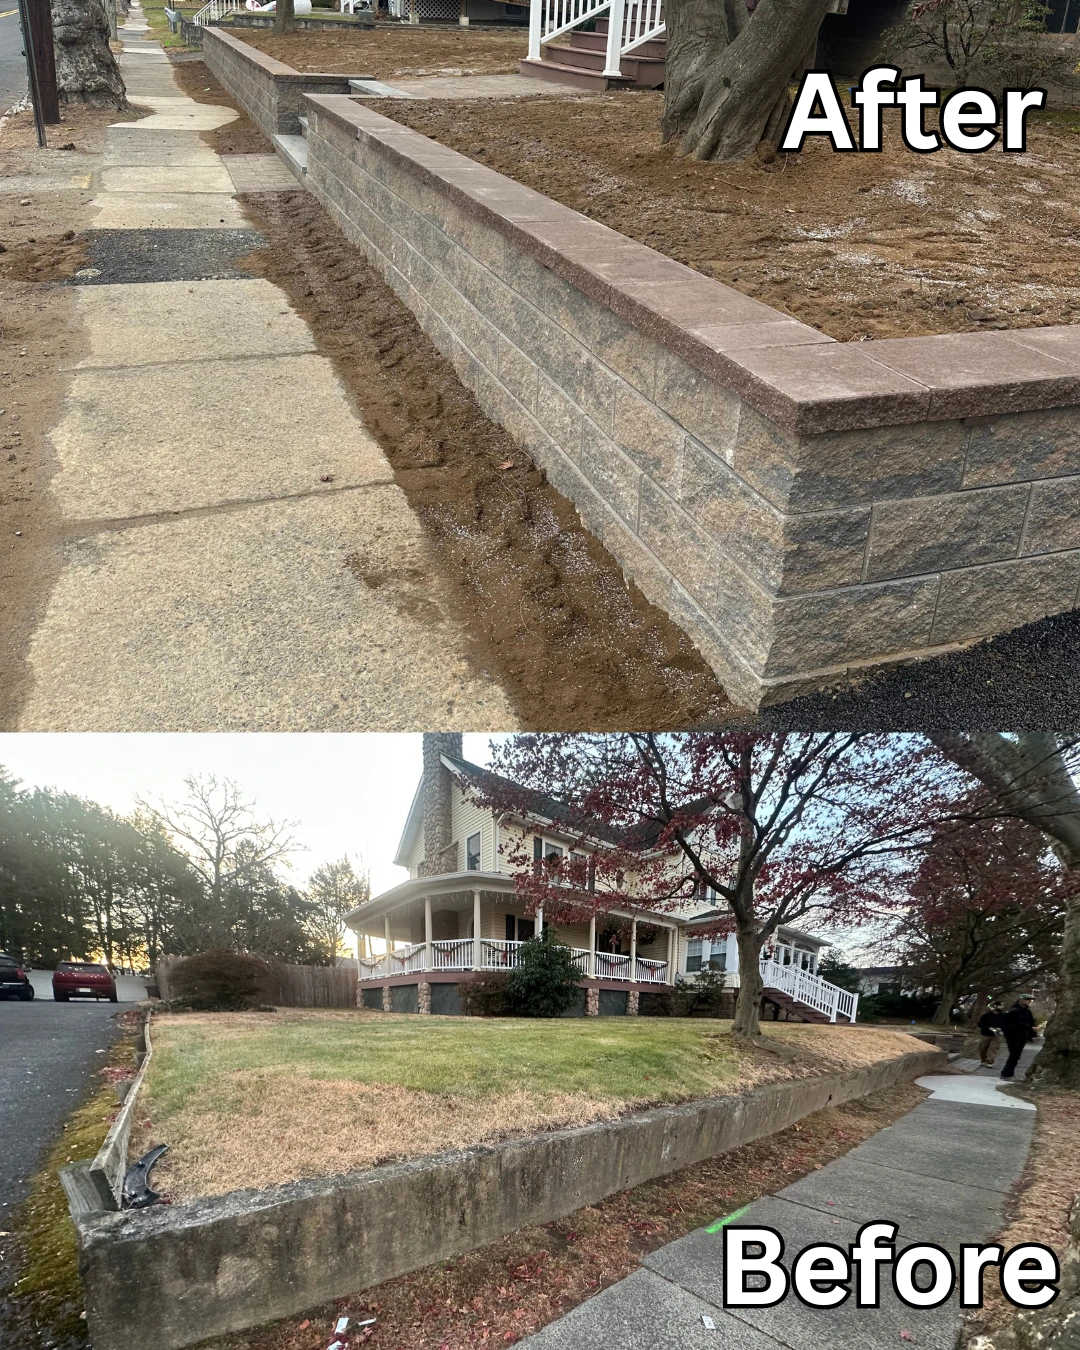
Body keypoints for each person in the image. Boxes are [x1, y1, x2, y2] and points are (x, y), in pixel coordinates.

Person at [1000, 995, 1037, 1080]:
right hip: (1013, 1036)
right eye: (1027, 999)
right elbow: (1010, 1025)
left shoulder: (1027, 1012)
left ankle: (1008, 1073)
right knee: (1014, 1054)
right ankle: (1006, 1074)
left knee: (1016, 1055)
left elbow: (1032, 1024)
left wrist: (1032, 1035)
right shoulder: (1014, 1011)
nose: (1029, 1001)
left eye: (1030, 1000)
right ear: (1021, 1000)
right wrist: (1027, 1027)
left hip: (1022, 1036)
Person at [977, 1001, 1006, 1066]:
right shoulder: (986, 1015)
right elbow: (980, 1024)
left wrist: (1000, 1028)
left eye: (1002, 1006)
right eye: (1000, 1006)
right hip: (985, 1034)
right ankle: (983, 1060)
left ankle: (990, 1061)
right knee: (983, 1048)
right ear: (995, 1006)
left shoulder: (1004, 1016)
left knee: (993, 1048)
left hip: (997, 1035)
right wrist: (988, 1028)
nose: (1001, 1007)